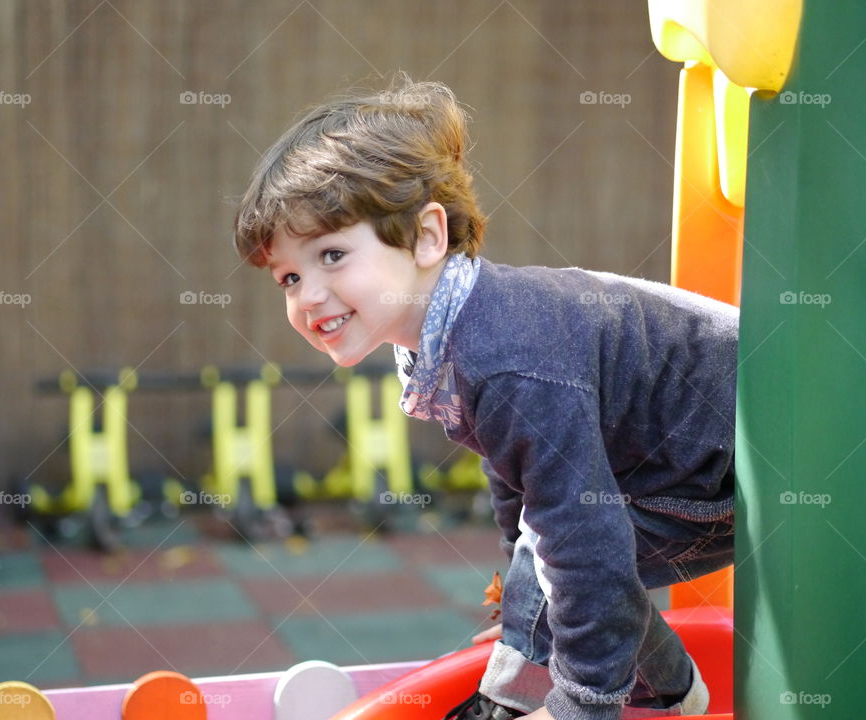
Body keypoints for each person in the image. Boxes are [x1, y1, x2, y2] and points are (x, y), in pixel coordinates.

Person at [233, 78, 736, 720]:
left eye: (333, 254)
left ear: (426, 237)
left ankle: (575, 700)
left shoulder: (504, 353)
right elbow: (514, 477)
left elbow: (584, 540)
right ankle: (666, 693)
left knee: (569, 556)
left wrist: (581, 700)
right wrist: (521, 612)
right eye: (290, 276)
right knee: (548, 559)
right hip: (688, 458)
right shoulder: (459, 328)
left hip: (733, 469)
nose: (307, 296)